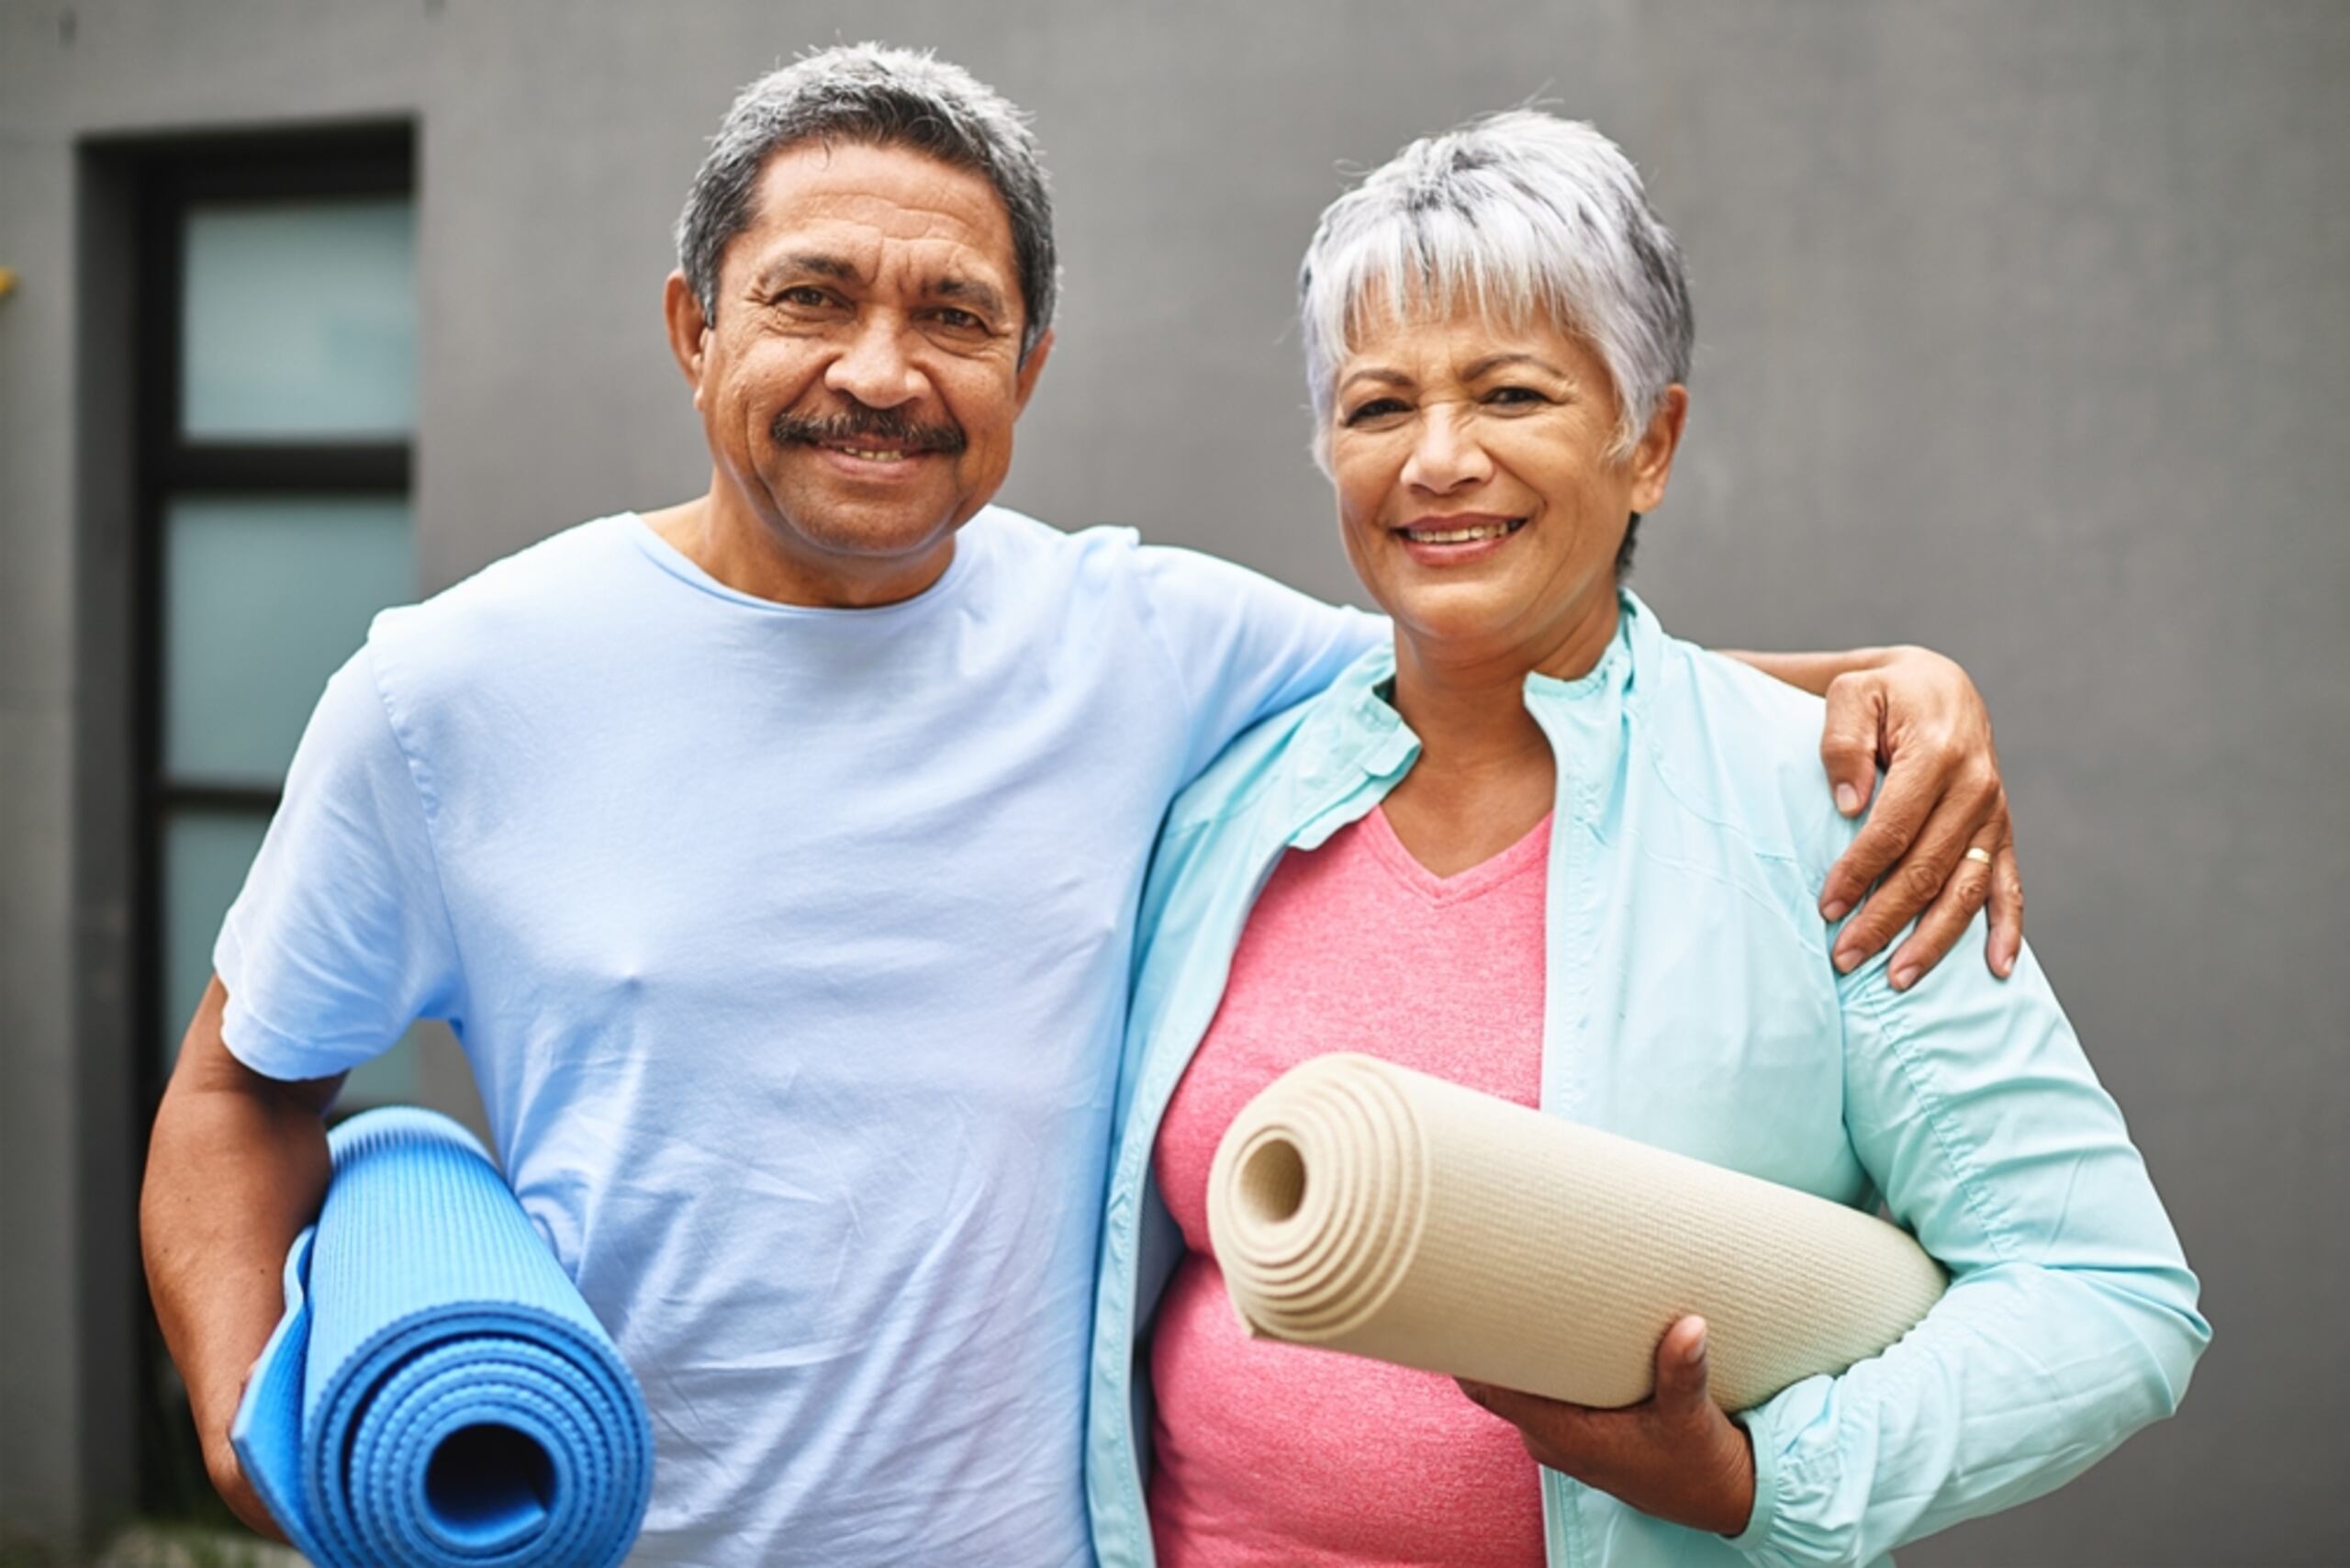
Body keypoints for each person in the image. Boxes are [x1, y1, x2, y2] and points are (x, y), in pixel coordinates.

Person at [142, 48, 2022, 1567]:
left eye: (951, 315)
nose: (879, 370)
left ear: (1026, 369)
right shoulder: (445, 693)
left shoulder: (1142, 641)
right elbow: (242, 1091)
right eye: (811, 297)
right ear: (691, 327)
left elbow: (1500, 652)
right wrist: (258, 1435)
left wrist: (1883, 684)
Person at [1085, 110, 2207, 1568]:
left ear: (1650, 443)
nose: (1438, 461)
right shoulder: (1227, 803)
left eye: (1511, 394)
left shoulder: (1832, 813)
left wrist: (1759, 1480)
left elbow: (2110, 1294)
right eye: (1377, 408)